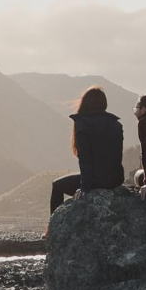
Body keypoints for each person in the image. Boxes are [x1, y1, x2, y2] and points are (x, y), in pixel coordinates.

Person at [49, 86, 125, 216]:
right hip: (116, 179)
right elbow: (117, 156)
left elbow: (85, 159)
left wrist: (85, 187)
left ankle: (51, 227)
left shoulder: (83, 123)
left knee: (57, 185)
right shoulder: (116, 124)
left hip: (96, 180)